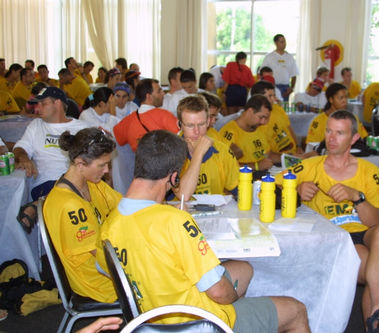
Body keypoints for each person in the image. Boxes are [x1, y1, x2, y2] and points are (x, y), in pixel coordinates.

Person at [96, 129, 310, 332]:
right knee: (296, 310)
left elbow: (105, 269)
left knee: (244, 270)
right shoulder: (174, 221)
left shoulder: (110, 221)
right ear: (173, 177)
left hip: (150, 317)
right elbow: (219, 292)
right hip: (195, 322)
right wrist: (233, 302)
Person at [275, 110, 379, 332]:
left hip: (361, 234)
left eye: (339, 133)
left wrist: (356, 197)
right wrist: (296, 189)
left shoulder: (369, 171)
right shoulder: (310, 166)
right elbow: (270, 186)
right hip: (331, 239)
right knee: (378, 274)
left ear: (354, 138)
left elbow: (375, 221)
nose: (331, 138)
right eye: (328, 131)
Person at [43, 128, 120, 303]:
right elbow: (99, 255)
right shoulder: (68, 205)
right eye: (102, 165)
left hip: (107, 265)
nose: (107, 170)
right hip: (98, 283)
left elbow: (125, 206)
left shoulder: (92, 184)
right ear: (80, 163)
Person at [173, 95, 239, 200]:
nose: (196, 131)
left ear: (208, 122)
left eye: (201, 124)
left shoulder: (222, 150)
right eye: (190, 125)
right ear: (180, 125)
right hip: (181, 215)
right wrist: (198, 154)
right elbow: (183, 196)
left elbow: (237, 190)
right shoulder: (169, 152)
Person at [113, 78, 178, 151]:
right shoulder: (164, 115)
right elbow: (182, 137)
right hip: (164, 161)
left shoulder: (127, 122)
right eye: (159, 91)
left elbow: (118, 139)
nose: (163, 93)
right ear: (148, 96)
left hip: (140, 161)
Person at [219, 95, 280, 171]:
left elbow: (268, 154)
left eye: (266, 118)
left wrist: (290, 158)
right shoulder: (229, 132)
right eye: (261, 117)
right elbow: (224, 165)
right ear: (250, 111)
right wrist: (256, 166)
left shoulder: (259, 128)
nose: (263, 122)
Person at [250, 80, 300, 154]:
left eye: (274, 95)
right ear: (258, 98)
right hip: (278, 160)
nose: (274, 99)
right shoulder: (256, 122)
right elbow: (266, 154)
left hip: (293, 152)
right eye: (270, 96)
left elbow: (289, 129)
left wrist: (298, 147)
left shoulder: (277, 108)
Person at [261, 34, 299, 101]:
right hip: (272, 87)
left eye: (284, 41)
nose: (284, 44)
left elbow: (294, 74)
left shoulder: (290, 57)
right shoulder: (269, 57)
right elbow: (262, 73)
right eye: (281, 42)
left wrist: (291, 88)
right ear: (276, 43)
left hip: (286, 88)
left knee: (282, 110)